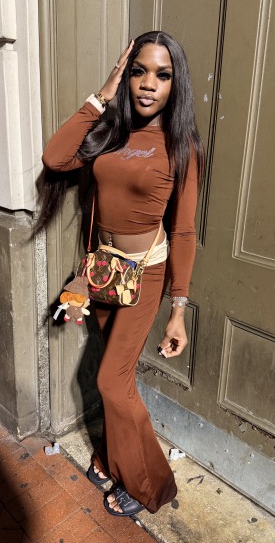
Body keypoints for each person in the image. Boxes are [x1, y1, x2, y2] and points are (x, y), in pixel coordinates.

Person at [36, 31, 205, 517]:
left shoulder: (181, 146)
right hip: (104, 272)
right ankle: (112, 459)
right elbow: (55, 157)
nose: (148, 84)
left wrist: (178, 309)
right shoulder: (111, 131)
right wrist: (103, 93)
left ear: (175, 84)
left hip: (144, 276)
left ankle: (152, 485)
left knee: (112, 382)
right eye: (138, 72)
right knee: (118, 381)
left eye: (162, 75)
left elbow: (184, 230)